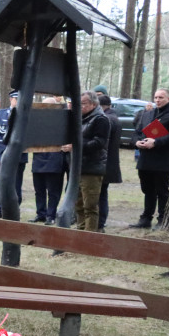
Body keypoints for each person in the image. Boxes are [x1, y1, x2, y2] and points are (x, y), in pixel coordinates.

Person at [130, 88, 169, 229]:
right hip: (145, 158)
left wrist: (156, 142)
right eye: (156, 97)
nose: (158, 100)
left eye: (161, 97)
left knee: (162, 190)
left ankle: (162, 219)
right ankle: (146, 219)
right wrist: (137, 142)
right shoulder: (148, 113)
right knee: (147, 189)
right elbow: (137, 132)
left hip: (162, 159)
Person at [67, 90, 110, 232]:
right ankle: (80, 231)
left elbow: (99, 143)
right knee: (78, 203)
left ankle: (90, 235)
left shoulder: (100, 119)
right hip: (79, 166)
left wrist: (76, 147)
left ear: (93, 104)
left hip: (92, 167)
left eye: (83, 104)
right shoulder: (81, 118)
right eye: (78, 104)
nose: (80, 107)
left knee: (90, 205)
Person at [0, 91, 28, 218]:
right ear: (11, 99)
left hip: (19, 155)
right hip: (3, 153)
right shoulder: (1, 114)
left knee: (17, 183)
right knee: (1, 183)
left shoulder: (27, 115)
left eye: (20, 99)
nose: (17, 102)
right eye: (15, 99)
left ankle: (15, 209)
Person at [98, 94, 122, 232]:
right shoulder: (114, 118)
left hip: (104, 163)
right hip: (109, 163)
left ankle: (100, 223)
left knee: (100, 195)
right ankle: (101, 221)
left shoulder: (107, 119)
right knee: (102, 194)